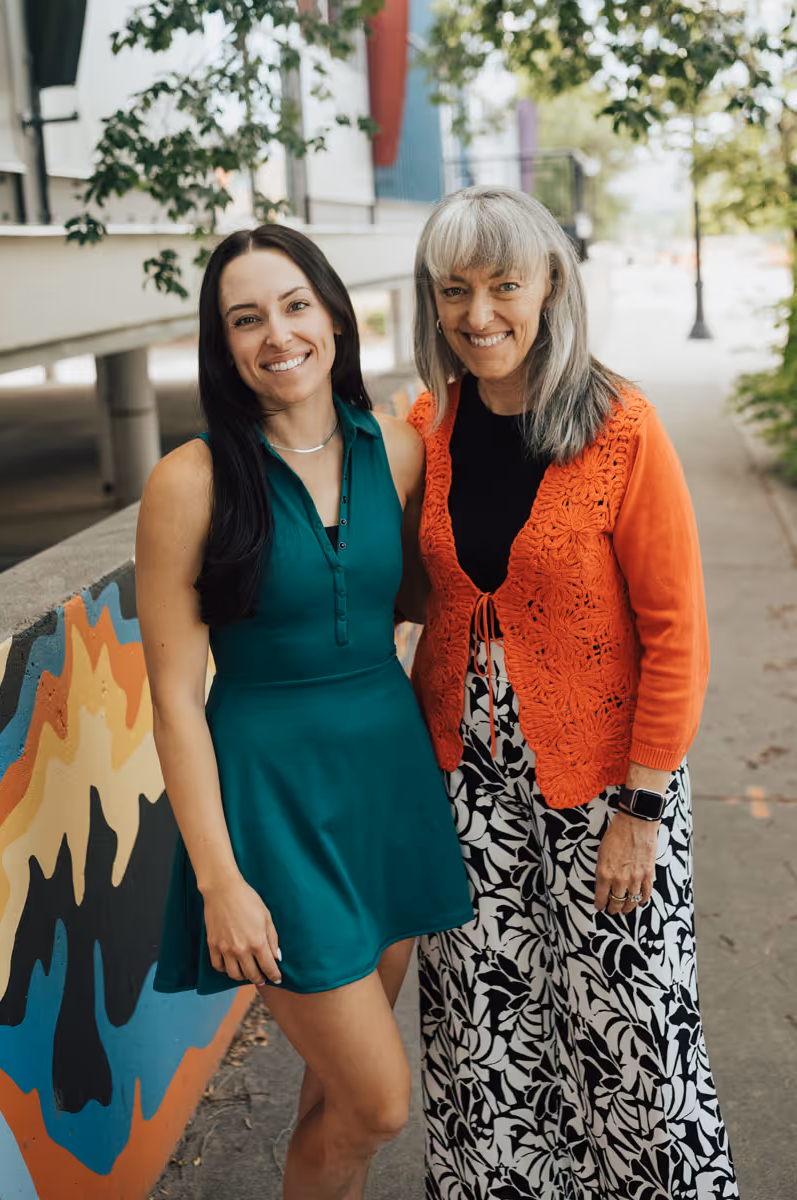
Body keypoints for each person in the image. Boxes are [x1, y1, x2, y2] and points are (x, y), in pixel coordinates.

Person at [405, 185, 738, 1200]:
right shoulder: (427, 424)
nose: (478, 313)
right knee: (484, 1041)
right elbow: (408, 590)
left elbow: (677, 634)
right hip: (462, 792)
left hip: (606, 787)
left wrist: (641, 809)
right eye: (454, 289)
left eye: (502, 285)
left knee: (633, 1036)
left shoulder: (621, 428)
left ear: (549, 286)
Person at [136, 224, 473, 1199]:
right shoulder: (190, 482)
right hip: (272, 810)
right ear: (222, 344)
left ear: (333, 314)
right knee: (379, 1102)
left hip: (389, 794)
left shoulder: (399, 451)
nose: (277, 335)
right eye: (246, 319)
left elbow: (426, 599)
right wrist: (219, 881)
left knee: (337, 1106)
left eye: (293, 306)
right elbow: (174, 700)